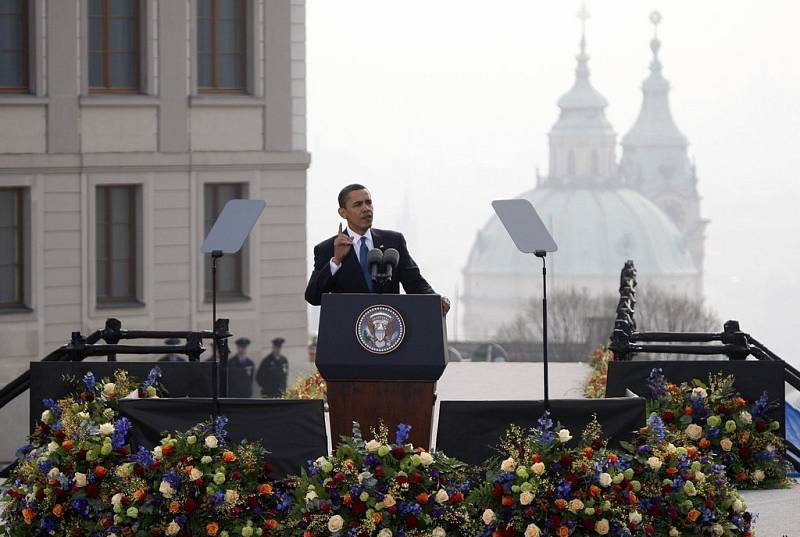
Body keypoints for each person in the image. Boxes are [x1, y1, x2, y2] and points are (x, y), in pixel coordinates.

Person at [304, 184, 450, 313]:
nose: (366, 209)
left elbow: (415, 283)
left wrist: (436, 300)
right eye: (358, 205)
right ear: (343, 213)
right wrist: (336, 261)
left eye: (369, 203)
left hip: (390, 329)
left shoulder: (393, 241)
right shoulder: (327, 249)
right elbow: (313, 297)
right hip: (350, 332)